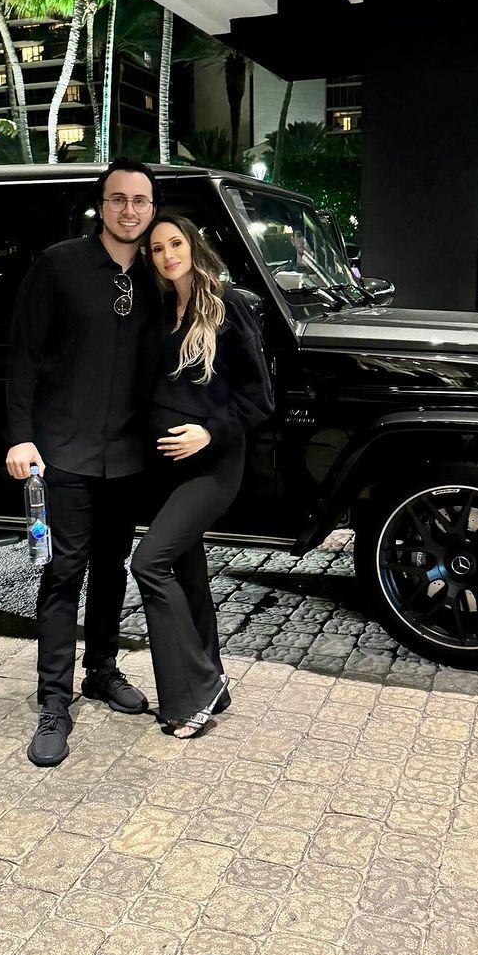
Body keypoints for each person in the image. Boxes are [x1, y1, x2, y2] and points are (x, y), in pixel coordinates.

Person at [5, 159, 161, 767]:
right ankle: (53, 700)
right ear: (102, 205)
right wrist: (21, 438)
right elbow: (22, 357)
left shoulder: (158, 274)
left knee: (112, 566)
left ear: (152, 208)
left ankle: (101, 669)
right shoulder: (59, 265)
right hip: (62, 451)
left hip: (127, 455)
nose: (129, 210)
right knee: (63, 571)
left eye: (140, 201)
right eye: (118, 199)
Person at [132, 216, 273, 738]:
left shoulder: (226, 305)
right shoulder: (158, 308)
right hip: (165, 470)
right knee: (187, 575)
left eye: (176, 243)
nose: (168, 255)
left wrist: (208, 433)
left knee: (149, 563)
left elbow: (259, 398)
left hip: (212, 466)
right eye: (157, 248)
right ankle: (213, 684)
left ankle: (191, 694)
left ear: (193, 246)